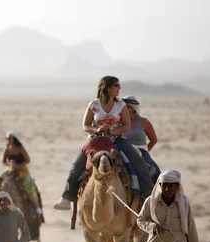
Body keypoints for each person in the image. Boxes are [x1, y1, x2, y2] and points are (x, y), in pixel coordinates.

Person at [53, 76, 154, 210]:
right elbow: (85, 125)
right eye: (116, 85)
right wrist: (97, 129)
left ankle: (149, 197)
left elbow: (127, 126)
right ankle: (66, 198)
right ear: (107, 87)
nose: (119, 88)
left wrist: (112, 132)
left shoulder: (120, 105)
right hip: (96, 140)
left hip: (116, 139)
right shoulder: (93, 105)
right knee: (77, 166)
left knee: (138, 161)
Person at [2, 131, 43, 219]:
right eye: (7, 139)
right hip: (10, 170)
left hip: (22, 170)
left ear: (14, 139)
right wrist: (10, 165)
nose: (8, 140)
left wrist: (17, 165)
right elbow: (3, 161)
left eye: (9, 138)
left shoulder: (20, 148)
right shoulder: (7, 149)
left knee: (28, 183)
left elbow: (28, 160)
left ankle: (36, 206)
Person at [122, 95, 161, 183]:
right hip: (123, 150)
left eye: (126, 107)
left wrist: (145, 151)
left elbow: (153, 140)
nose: (123, 109)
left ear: (133, 108)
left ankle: (157, 195)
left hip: (141, 152)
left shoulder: (144, 122)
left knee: (156, 173)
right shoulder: (119, 122)